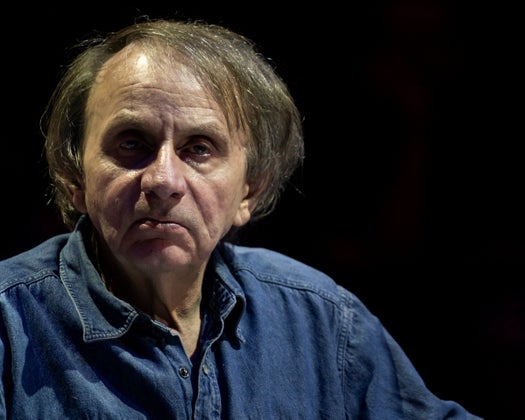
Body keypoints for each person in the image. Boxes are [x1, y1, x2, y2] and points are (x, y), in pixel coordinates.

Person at [0, 18, 482, 419]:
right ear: (75, 177)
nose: (163, 179)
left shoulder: (322, 322)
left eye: (199, 148)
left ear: (248, 190)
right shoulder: (9, 324)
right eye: (132, 143)